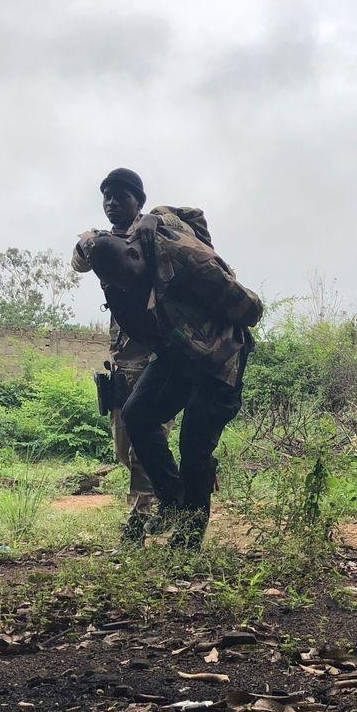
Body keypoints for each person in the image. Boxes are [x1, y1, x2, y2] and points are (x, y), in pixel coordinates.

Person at [75, 208, 262, 549]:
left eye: (125, 275)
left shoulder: (186, 258)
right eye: (115, 282)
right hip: (177, 355)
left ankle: (189, 536)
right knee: (137, 415)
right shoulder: (120, 272)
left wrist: (204, 322)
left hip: (219, 361)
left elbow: (251, 309)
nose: (123, 285)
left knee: (194, 447)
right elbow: (86, 246)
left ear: (134, 253)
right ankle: (175, 502)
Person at [71, 168, 171, 543]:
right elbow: (79, 261)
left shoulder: (154, 232)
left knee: (146, 442)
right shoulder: (104, 242)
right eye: (106, 196)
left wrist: (151, 221)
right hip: (121, 360)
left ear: (138, 201)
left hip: (154, 359)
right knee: (124, 447)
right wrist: (89, 241)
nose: (112, 202)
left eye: (121, 196)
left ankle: (139, 518)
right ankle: (165, 500)